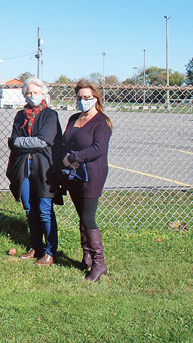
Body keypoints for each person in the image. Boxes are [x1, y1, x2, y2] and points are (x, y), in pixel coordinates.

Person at [6, 78, 63, 266]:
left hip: (44, 169)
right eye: (28, 93)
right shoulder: (21, 116)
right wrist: (20, 142)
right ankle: (36, 246)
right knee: (30, 209)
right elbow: (13, 140)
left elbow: (42, 141)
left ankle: (50, 250)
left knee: (44, 210)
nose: (31, 96)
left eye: (35, 93)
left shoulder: (50, 116)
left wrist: (19, 143)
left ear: (43, 93)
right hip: (24, 167)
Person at [62, 79, 113, 282]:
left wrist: (73, 158)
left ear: (96, 99)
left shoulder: (102, 122)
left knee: (88, 217)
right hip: (73, 175)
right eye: (80, 98)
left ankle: (99, 263)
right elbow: (65, 141)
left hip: (92, 175)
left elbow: (97, 149)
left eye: (88, 98)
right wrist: (64, 159)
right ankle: (87, 256)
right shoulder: (74, 118)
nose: (83, 101)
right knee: (81, 217)